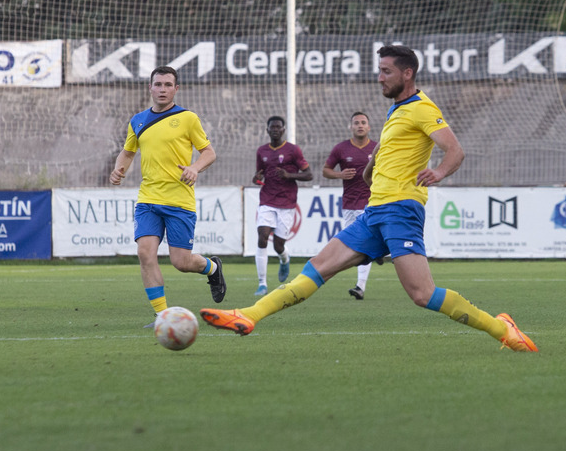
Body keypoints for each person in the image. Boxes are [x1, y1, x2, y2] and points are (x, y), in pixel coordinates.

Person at [202, 45, 537, 352]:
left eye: (386, 71)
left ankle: (503, 330)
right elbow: (384, 155)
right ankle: (248, 315)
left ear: (407, 73)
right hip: (374, 211)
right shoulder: (396, 112)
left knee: (422, 295)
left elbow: (455, 150)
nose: (379, 77)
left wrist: (438, 173)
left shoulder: (422, 108)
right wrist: (371, 169)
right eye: (379, 70)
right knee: (317, 268)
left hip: (401, 210)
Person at [110, 65, 225, 325]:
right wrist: (119, 169)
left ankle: (213, 268)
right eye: (158, 84)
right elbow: (128, 152)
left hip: (179, 200)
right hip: (148, 199)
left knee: (182, 262)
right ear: (150, 87)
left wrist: (195, 168)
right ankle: (162, 316)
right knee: (145, 254)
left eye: (167, 85)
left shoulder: (187, 118)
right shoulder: (137, 120)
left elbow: (209, 152)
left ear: (176, 88)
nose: (162, 89)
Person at [252, 115, 312, 296]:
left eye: (279, 127)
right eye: (272, 127)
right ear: (267, 130)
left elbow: (309, 175)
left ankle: (284, 259)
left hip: (286, 202)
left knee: (278, 245)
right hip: (267, 200)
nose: (275, 129)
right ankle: (262, 284)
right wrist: (256, 179)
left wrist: (289, 175)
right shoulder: (262, 151)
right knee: (262, 237)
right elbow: (258, 175)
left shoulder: (293, 150)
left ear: (284, 130)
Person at [322, 111, 377, 300]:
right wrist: (340, 175)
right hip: (349, 204)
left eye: (363, 122)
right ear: (350, 127)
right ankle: (378, 252)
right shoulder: (341, 149)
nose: (360, 125)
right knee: (356, 245)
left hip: (372, 202)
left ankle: (360, 285)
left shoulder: (378, 148)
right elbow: (326, 170)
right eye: (356, 123)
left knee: (363, 242)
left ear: (369, 127)